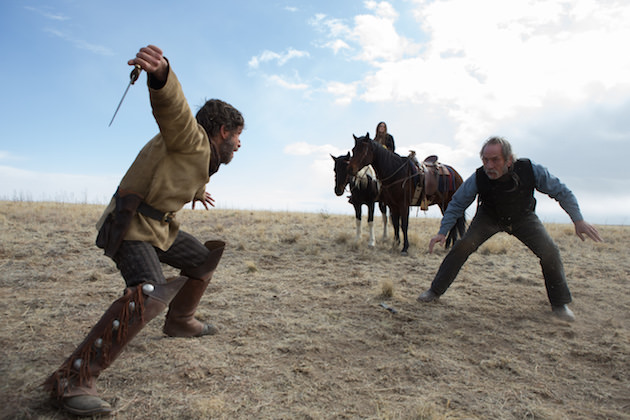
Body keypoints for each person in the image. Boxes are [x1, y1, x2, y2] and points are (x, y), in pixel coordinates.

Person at [44, 45, 244, 417]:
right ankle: (72, 380)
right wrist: (162, 75)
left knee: (204, 258)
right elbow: (174, 110)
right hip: (132, 223)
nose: (239, 144)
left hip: (159, 228)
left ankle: (181, 321)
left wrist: (198, 191)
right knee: (148, 293)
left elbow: (177, 171)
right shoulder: (190, 136)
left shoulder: (200, 156)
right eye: (237, 136)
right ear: (222, 131)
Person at [417, 136, 602, 322]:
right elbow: (458, 202)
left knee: (550, 251)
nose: (489, 166)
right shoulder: (479, 177)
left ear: (509, 160)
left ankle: (560, 304)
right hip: (489, 217)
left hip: (523, 217)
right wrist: (442, 231)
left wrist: (578, 220)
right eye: (485, 160)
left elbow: (561, 192)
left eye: (495, 160)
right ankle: (435, 291)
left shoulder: (530, 170)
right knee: (463, 245)